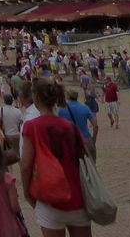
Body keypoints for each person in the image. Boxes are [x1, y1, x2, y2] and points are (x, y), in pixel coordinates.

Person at [20, 78, 90, 237]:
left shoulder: (32, 126)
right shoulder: (70, 126)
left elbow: (26, 165)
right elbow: (85, 156)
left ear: (36, 99)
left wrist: (27, 192)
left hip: (49, 194)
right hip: (76, 194)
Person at [57, 91, 98, 160]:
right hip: (85, 138)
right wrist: (93, 139)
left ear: (68, 97)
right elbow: (95, 126)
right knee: (91, 166)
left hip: (69, 140)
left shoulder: (61, 109)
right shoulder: (85, 108)